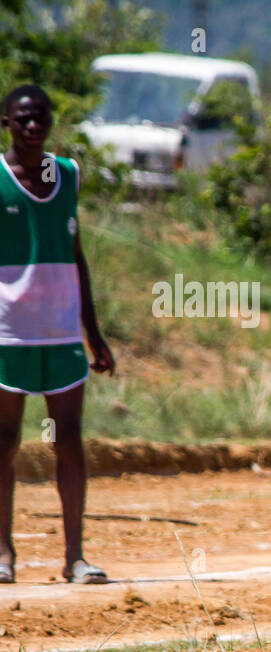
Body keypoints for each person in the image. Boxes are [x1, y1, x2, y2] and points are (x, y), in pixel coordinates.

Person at [0, 84, 115, 586]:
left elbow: (76, 252)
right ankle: (3, 554)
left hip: (63, 329)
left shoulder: (67, 175)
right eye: (22, 118)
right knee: (3, 441)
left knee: (68, 439)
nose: (32, 125)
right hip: (9, 331)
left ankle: (74, 556)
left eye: (40, 116)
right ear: (6, 122)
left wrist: (95, 333)